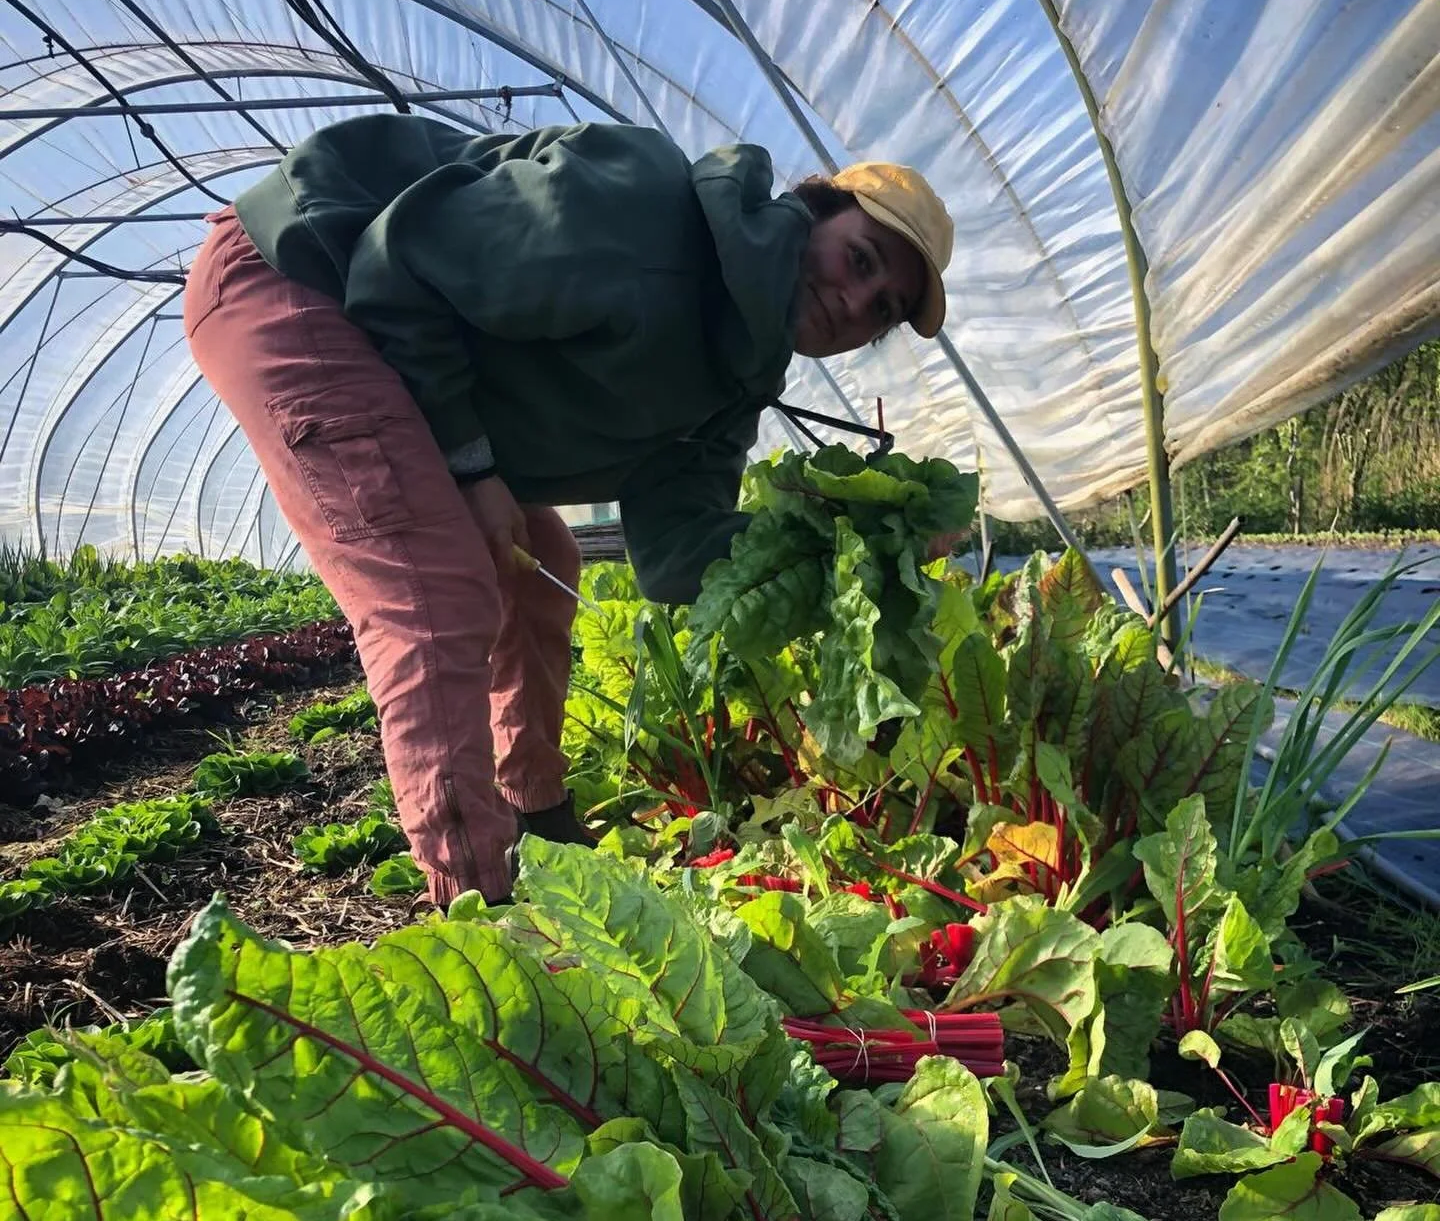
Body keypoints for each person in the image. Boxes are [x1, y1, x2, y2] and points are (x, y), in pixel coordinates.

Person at [185, 116, 953, 905]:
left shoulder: (736, 379)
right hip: (302, 276)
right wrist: (475, 468)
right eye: (858, 259)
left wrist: (843, 536)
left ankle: (538, 817)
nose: (854, 301)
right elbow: (395, 263)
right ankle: (479, 909)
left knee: (542, 565)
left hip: (398, 349)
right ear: (813, 210)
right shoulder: (643, 206)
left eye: (883, 308)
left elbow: (678, 554)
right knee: (438, 593)